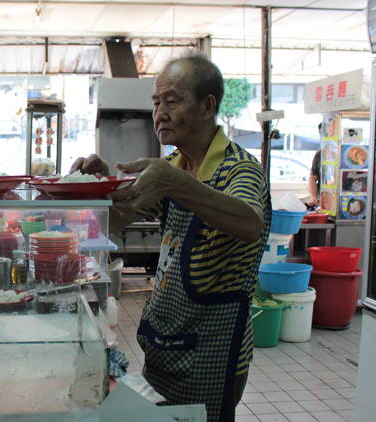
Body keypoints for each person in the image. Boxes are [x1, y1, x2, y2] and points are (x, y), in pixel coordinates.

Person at [71, 54, 270, 422]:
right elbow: (116, 220)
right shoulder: (175, 166)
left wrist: (177, 183)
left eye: (173, 101)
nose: (160, 113)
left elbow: (250, 223)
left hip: (212, 351)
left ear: (207, 106)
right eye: (156, 102)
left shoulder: (238, 168)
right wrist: (98, 190)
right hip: (166, 343)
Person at [308, 123, 323, 207]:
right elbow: (313, 177)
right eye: (321, 134)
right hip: (324, 199)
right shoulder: (319, 154)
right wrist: (313, 197)